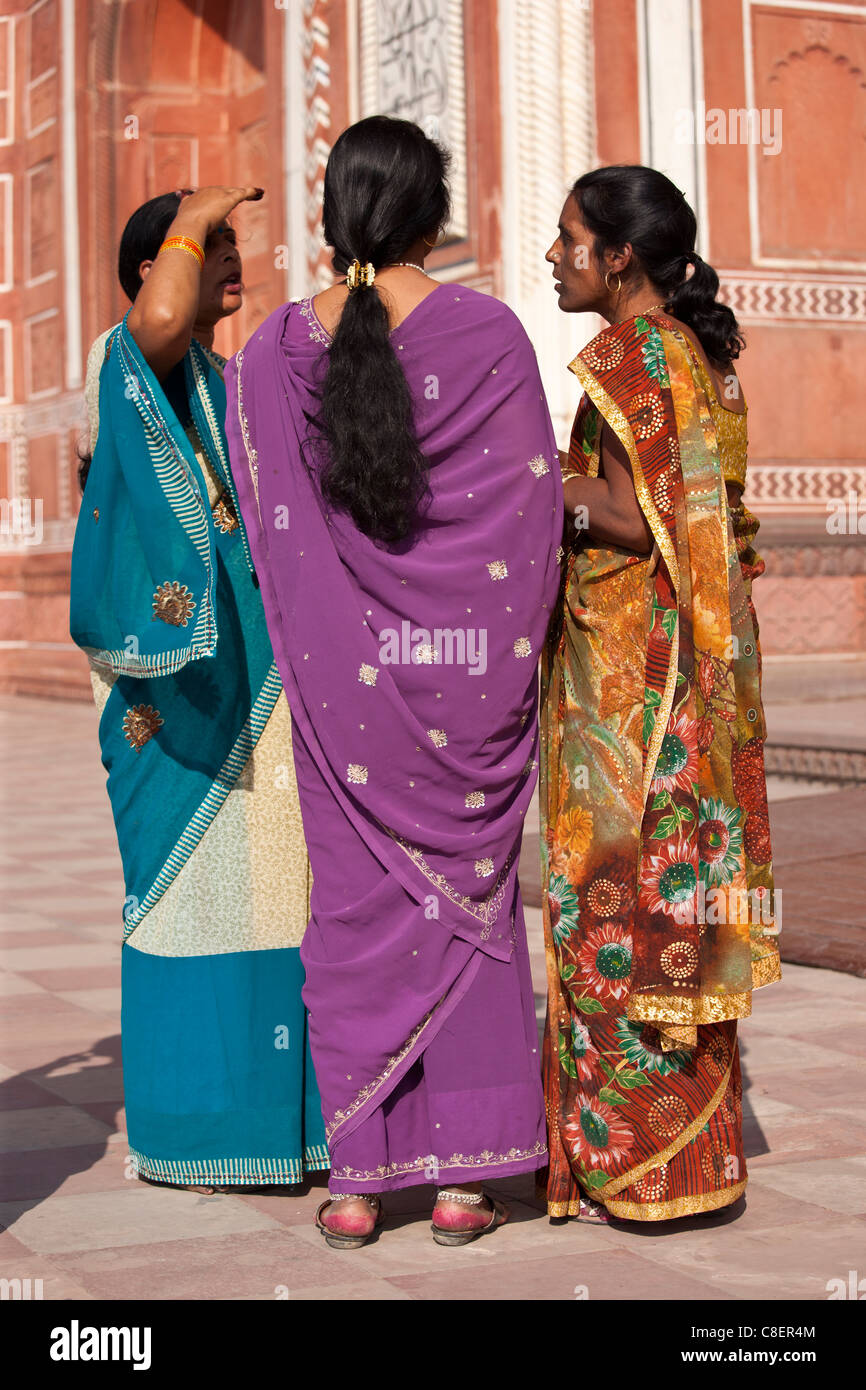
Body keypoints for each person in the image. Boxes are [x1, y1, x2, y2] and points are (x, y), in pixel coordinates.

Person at [224, 115, 563, 1248]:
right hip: (463, 699)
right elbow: (525, 521)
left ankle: (358, 1180)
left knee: (360, 911)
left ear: (330, 219)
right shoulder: (487, 334)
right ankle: (468, 1181)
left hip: (340, 700)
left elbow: (268, 527)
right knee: (464, 907)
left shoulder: (271, 354)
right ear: (433, 212)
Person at [70, 188, 328, 1192]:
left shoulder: (234, 382)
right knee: (188, 901)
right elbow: (163, 323)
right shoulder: (123, 363)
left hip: (265, 694)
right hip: (175, 713)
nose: (233, 257)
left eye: (229, 241)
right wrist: (195, 208)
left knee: (274, 899)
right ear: (153, 271)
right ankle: (194, 1126)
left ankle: (283, 1125)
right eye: (208, 244)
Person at [539, 164, 780, 1222]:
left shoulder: (640, 354)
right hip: (688, 681)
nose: (553, 258)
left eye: (566, 240)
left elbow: (641, 523)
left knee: (612, 910)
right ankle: (688, 1164)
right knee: (669, 914)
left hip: (640, 691)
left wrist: (537, 487)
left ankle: (633, 1167)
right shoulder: (697, 354)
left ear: (617, 255)